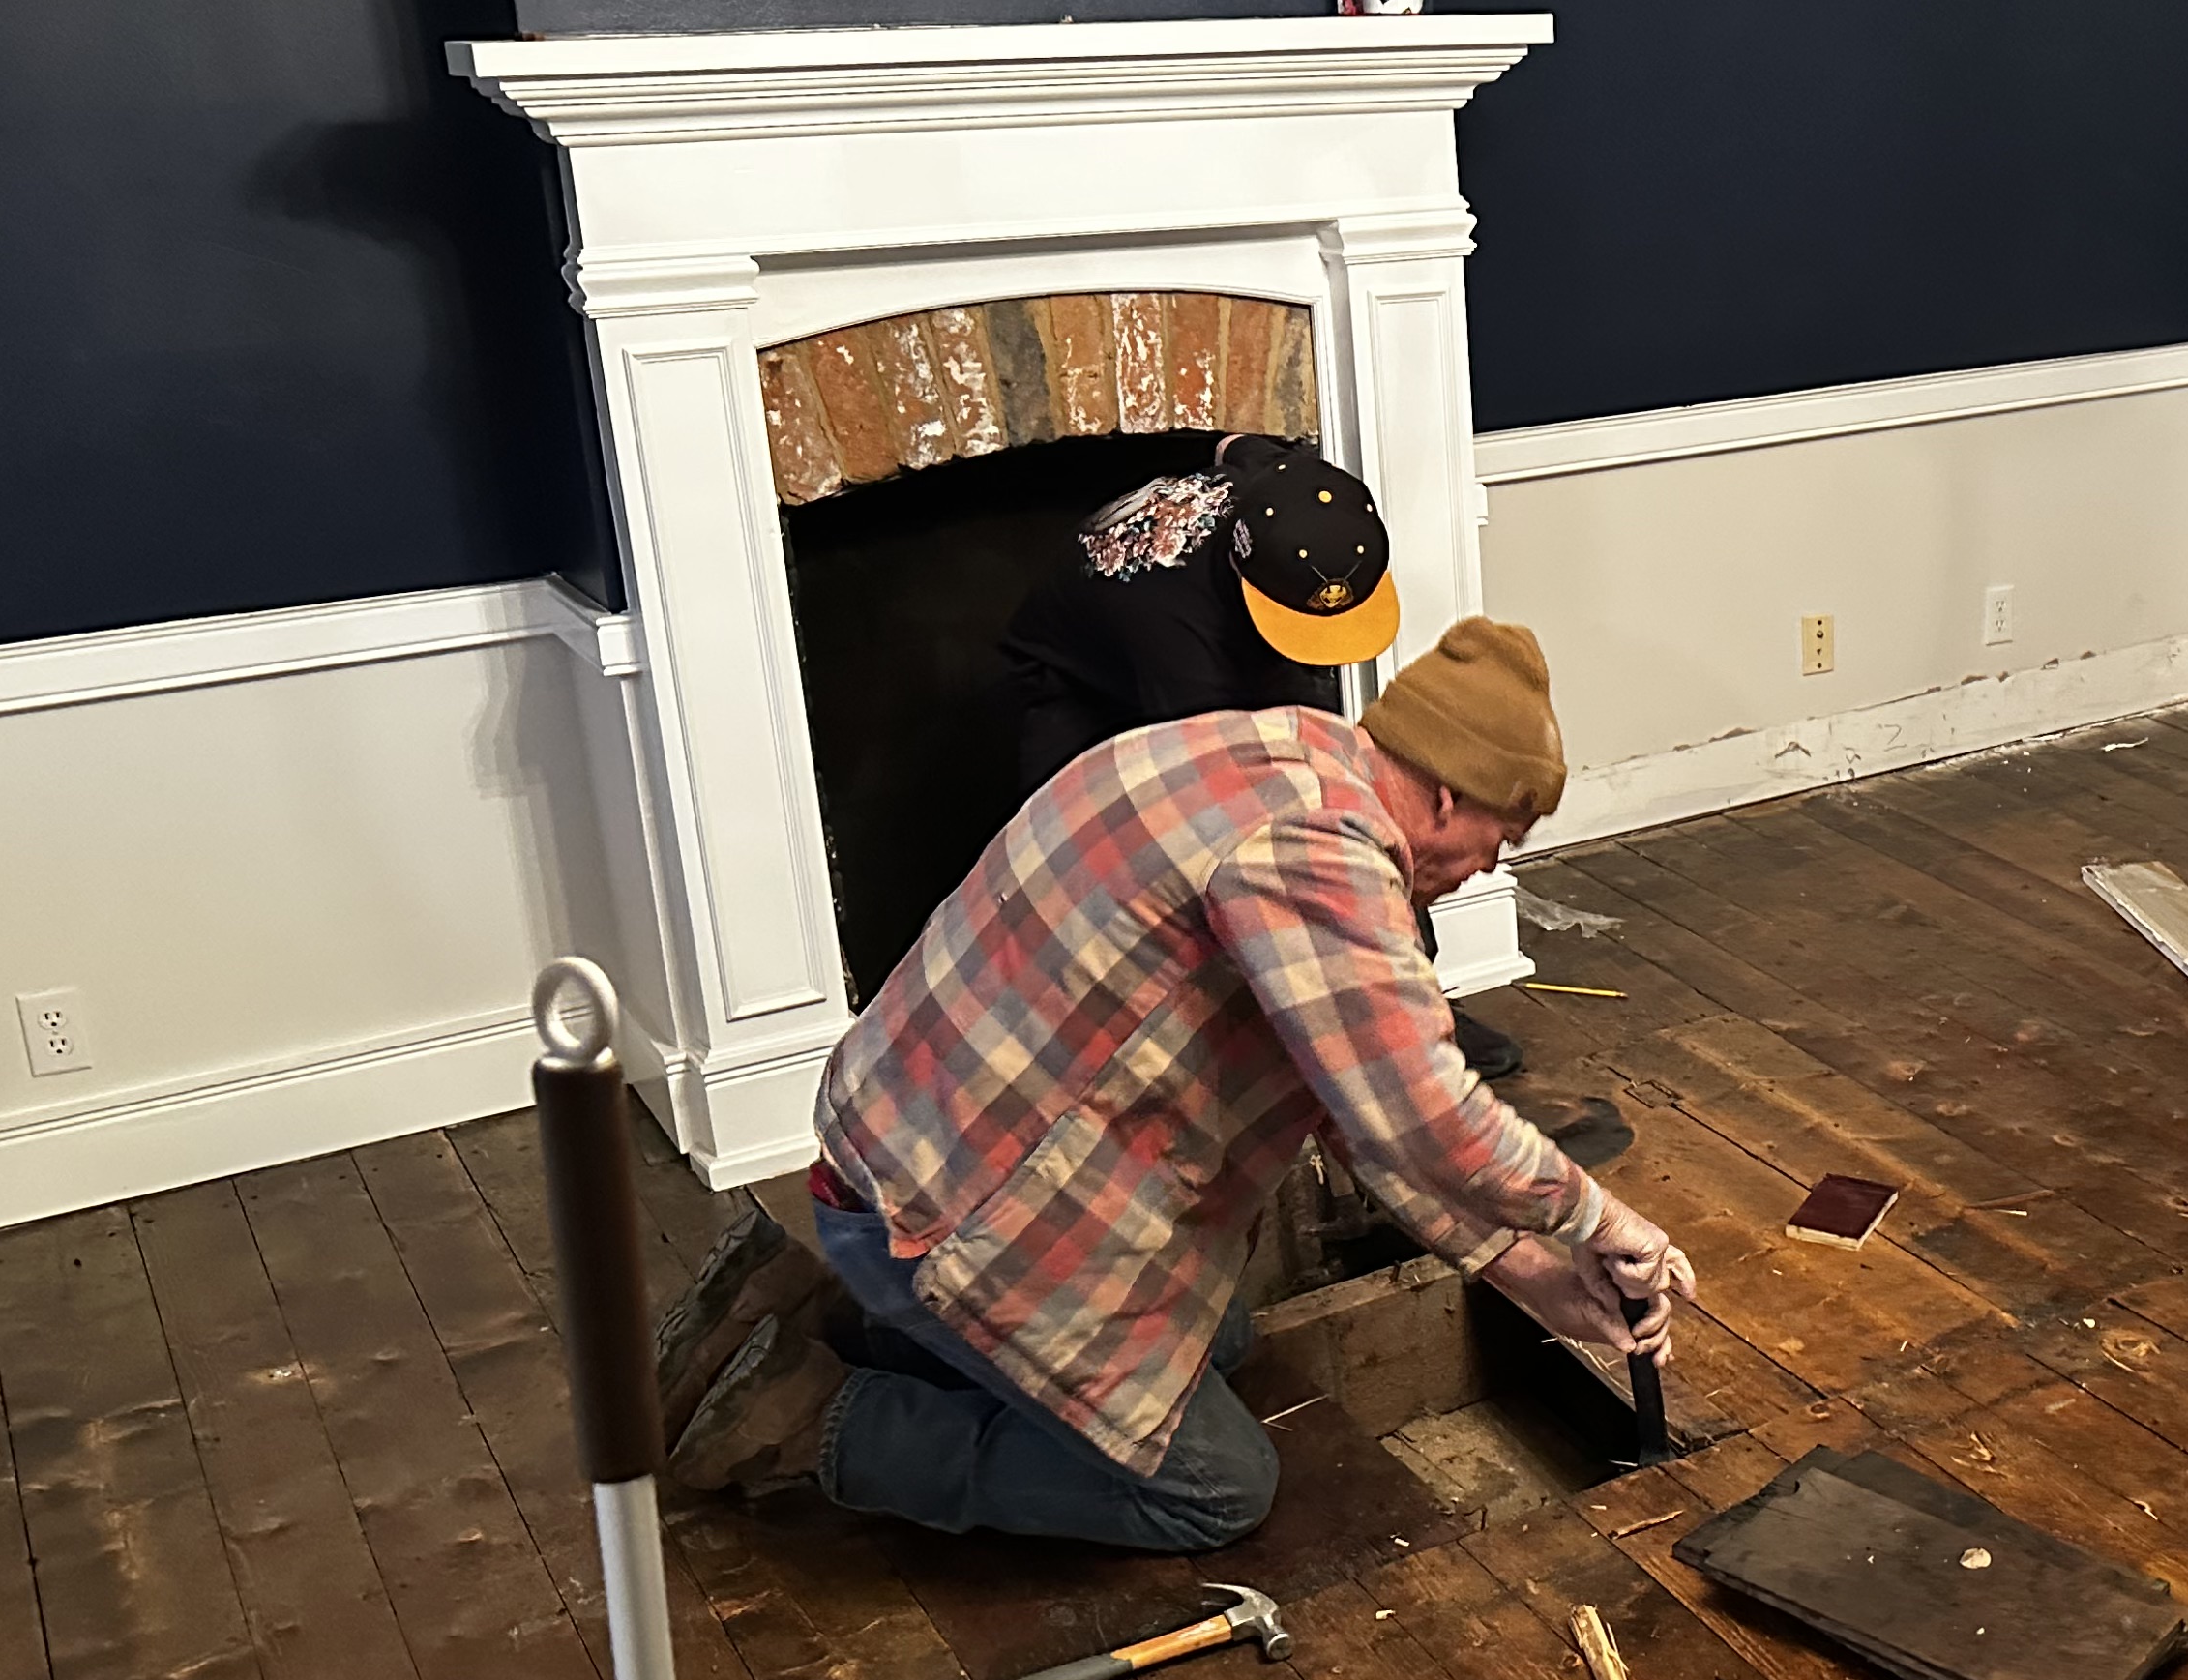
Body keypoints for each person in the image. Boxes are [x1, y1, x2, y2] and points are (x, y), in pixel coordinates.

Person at [661, 616, 1694, 1548]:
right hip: (942, 1221)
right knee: (1215, 1490)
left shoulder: (1257, 754)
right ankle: (815, 1422)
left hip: (887, 1151)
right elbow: (1426, 1111)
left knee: (1220, 1331)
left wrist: (1527, 1272)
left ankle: (805, 1316)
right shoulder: (1316, 853)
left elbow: (1359, 1106)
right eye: (1499, 840)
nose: (1485, 868)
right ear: (1445, 792)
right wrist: (1597, 1220)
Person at [1004, 431, 1529, 1084]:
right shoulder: (1178, 636)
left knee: (1354, 794)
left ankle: (1414, 1007)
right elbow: (1231, 810)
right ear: (1246, 567)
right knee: (1081, 868)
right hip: (1074, 687)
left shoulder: (1296, 490)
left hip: (1226, 617)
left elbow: (1233, 445)